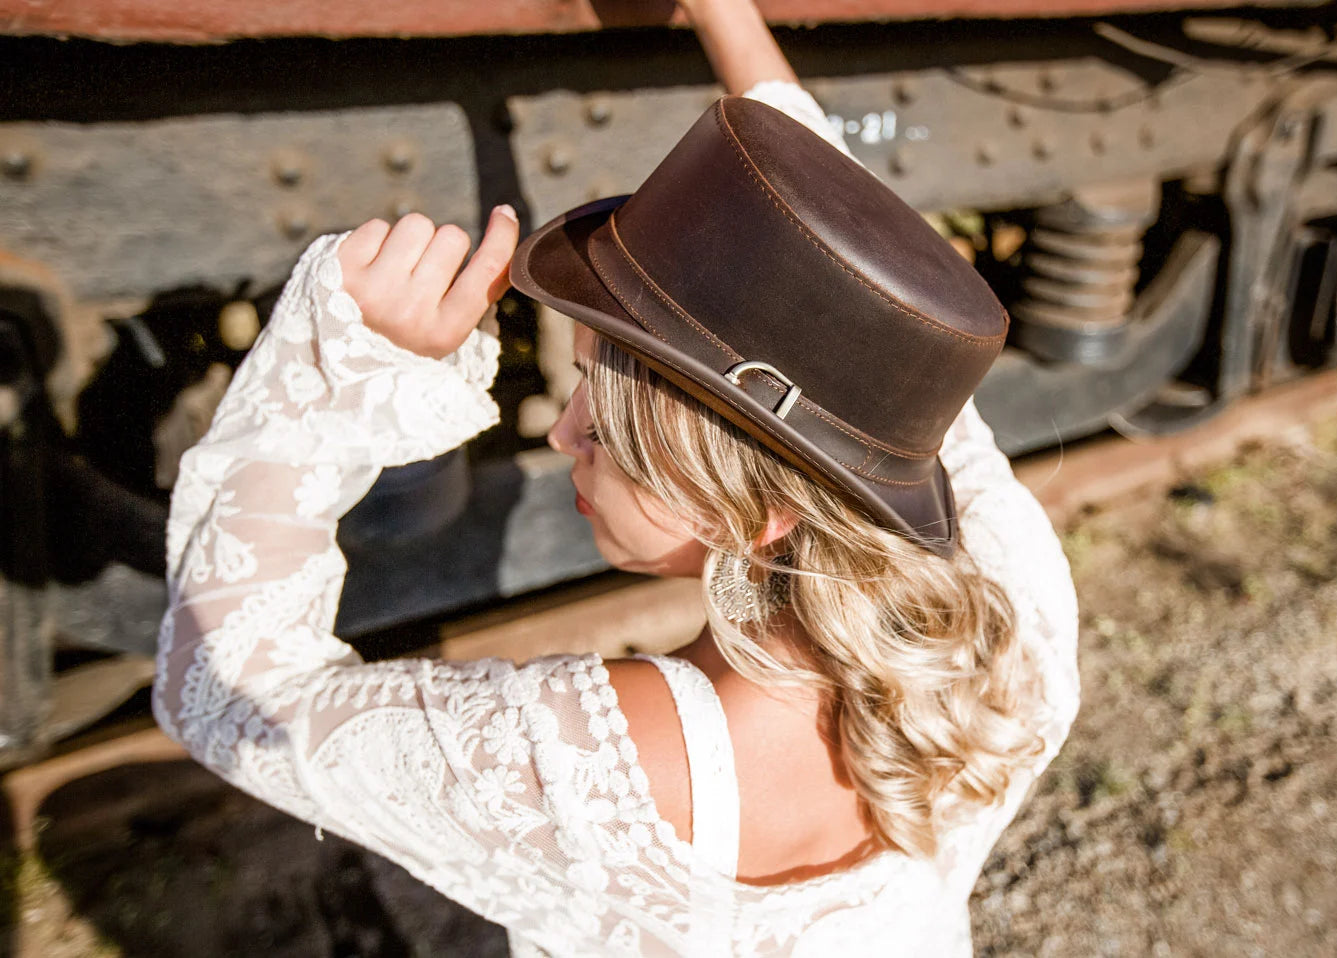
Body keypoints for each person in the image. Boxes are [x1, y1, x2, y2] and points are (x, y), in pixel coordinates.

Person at [154, 0, 1079, 953]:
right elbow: (853, 277)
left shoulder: (610, 765)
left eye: (600, 412)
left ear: (757, 511)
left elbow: (224, 693)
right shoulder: (1013, 598)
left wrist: (332, 371)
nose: (562, 435)